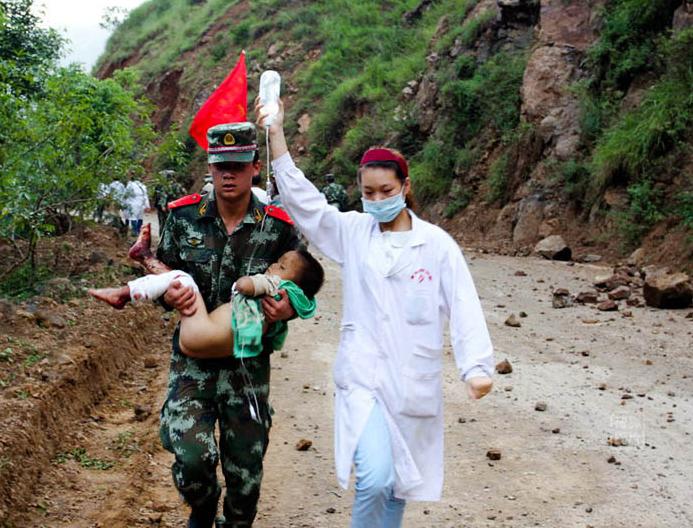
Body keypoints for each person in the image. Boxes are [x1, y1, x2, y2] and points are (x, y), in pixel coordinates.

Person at [257, 99, 494, 527]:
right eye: (368, 193)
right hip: (364, 378)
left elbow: (463, 305)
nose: (377, 200)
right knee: (375, 478)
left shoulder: (437, 245)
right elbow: (305, 203)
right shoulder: (353, 232)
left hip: (412, 381)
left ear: (405, 186)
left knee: (400, 484)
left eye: (386, 191)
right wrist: (276, 135)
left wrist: (475, 366)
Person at [154, 122, 303, 528]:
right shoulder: (183, 217)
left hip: (247, 366)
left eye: (238, 165)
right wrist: (167, 292)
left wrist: (287, 307)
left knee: (246, 477)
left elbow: (304, 285)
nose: (229, 174)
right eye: (221, 166)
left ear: (255, 166)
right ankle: (202, 508)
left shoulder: (279, 226)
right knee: (192, 460)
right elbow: (165, 272)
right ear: (210, 166)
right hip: (194, 360)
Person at [87, 238, 323, 358]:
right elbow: (306, 300)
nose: (272, 265)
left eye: (280, 266)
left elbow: (245, 285)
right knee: (178, 281)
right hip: (203, 348)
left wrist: (255, 284)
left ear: (254, 168)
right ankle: (146, 257)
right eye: (223, 165)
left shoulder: (273, 283)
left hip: (199, 332)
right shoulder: (187, 213)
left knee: (183, 278)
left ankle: (124, 293)